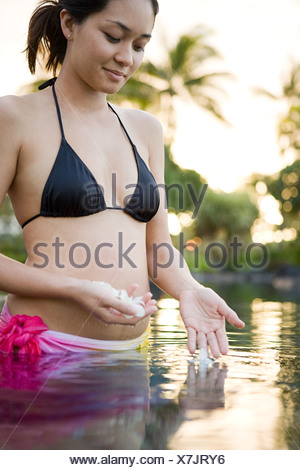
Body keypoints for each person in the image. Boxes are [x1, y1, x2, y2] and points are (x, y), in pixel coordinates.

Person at [0, 0, 244, 357]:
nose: (127, 58)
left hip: (129, 360)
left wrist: (189, 289)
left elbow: (156, 247)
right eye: (114, 37)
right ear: (69, 23)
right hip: (44, 351)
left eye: (140, 45)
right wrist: (74, 288)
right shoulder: (15, 118)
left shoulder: (145, 129)